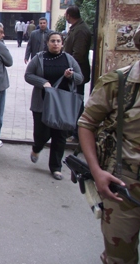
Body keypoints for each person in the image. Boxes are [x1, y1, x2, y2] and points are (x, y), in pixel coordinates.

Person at [78, 25, 140, 264]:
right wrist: (97, 172)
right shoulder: (119, 83)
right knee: (119, 258)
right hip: (126, 185)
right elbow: (87, 124)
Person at [24, 32, 83, 180]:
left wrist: (71, 76)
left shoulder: (69, 59)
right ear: (47, 43)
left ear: (62, 44)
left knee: (59, 136)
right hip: (42, 103)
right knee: (41, 134)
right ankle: (37, 148)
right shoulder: (39, 58)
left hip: (62, 104)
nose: (55, 43)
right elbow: (28, 75)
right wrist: (42, 82)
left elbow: (80, 78)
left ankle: (56, 167)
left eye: (58, 41)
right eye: (52, 41)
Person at [64, 5, 92, 143]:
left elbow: (78, 54)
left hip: (76, 73)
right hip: (73, 72)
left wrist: (70, 69)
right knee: (72, 101)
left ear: (69, 15)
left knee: (77, 103)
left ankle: (77, 133)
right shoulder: (76, 28)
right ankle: (71, 130)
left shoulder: (80, 30)